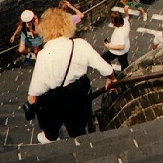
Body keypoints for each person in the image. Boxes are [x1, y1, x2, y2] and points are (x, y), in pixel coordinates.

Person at [25, 7, 116, 143]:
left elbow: (36, 90)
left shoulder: (44, 54)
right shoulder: (80, 45)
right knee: (78, 128)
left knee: (51, 128)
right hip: (78, 94)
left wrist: (31, 101)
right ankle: (80, 143)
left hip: (55, 98)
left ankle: (50, 139)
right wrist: (112, 79)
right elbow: (105, 68)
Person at [101, 7, 131, 72]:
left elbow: (121, 46)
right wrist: (126, 13)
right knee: (123, 62)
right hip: (126, 48)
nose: (111, 23)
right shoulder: (125, 22)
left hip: (117, 51)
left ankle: (112, 74)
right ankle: (125, 74)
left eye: (112, 21)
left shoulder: (119, 33)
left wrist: (109, 46)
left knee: (104, 59)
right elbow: (127, 17)